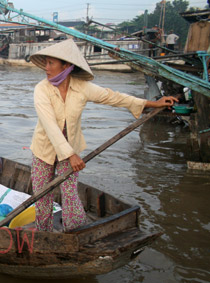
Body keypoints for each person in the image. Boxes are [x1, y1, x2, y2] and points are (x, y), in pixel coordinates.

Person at [28, 39, 178, 232]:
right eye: (46, 63)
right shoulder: (42, 89)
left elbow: (112, 96)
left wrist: (153, 104)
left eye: (51, 63)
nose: (46, 68)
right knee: (42, 197)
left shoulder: (81, 86)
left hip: (71, 149)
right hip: (44, 150)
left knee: (70, 195)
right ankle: (44, 234)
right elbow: (50, 125)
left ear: (66, 66)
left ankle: (76, 234)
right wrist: (70, 155)